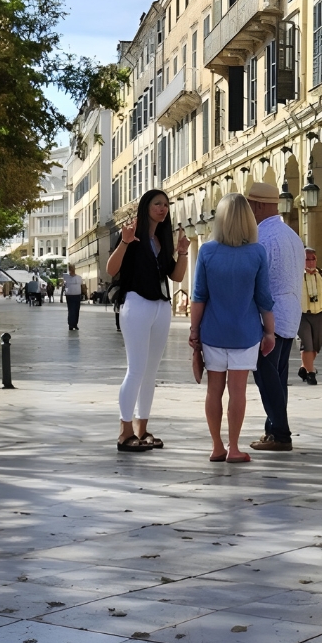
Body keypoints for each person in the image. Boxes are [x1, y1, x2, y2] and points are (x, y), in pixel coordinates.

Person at [190, 194, 276, 464]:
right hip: (245, 332)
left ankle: (217, 446)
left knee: (213, 390)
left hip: (213, 332)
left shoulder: (207, 251)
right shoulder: (257, 252)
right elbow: (263, 298)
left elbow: (199, 297)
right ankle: (234, 447)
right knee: (238, 391)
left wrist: (194, 331)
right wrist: (270, 332)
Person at [105, 189, 190, 452]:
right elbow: (111, 269)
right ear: (146, 207)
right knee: (136, 369)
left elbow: (176, 277)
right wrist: (124, 242)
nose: (163, 208)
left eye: (166, 204)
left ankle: (142, 428)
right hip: (137, 304)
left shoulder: (161, 240)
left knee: (151, 372)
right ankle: (125, 431)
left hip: (160, 307)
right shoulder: (131, 235)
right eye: (157, 204)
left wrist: (183, 253)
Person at [246, 182, 305, 452]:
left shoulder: (262, 238)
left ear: (257, 205)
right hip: (290, 314)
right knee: (278, 377)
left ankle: (280, 433)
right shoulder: (291, 235)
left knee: (267, 377)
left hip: (270, 317)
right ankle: (273, 429)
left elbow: (258, 283)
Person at [297, 248, 322, 386]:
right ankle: (311, 373)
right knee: (307, 344)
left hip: (319, 313)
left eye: (313, 259)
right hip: (302, 315)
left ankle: (304, 367)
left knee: (316, 346)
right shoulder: (297, 274)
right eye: (307, 259)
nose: (311, 262)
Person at [63, 265, 84, 331]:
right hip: (69, 295)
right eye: (70, 268)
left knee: (76, 310)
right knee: (71, 310)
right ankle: (71, 324)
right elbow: (63, 286)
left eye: (73, 268)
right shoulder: (66, 277)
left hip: (77, 295)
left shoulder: (79, 277)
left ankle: (75, 324)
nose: (72, 270)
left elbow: (82, 286)